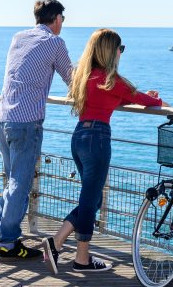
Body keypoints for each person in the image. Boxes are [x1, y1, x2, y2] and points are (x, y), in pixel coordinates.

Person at [44, 29, 165, 273]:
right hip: (97, 140)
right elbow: (147, 101)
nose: (121, 53)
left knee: (93, 198)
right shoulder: (112, 81)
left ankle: (58, 242)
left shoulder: (84, 78)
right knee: (90, 200)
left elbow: (112, 98)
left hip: (79, 137)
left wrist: (132, 98)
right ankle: (79, 257)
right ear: (113, 51)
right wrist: (156, 100)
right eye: (121, 49)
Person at [0, 0, 73, 261]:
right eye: (63, 19)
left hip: (3, 119)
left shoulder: (19, 37)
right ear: (56, 18)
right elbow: (71, 78)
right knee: (19, 184)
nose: (63, 25)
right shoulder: (55, 43)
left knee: (12, 179)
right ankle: (9, 242)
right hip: (26, 124)